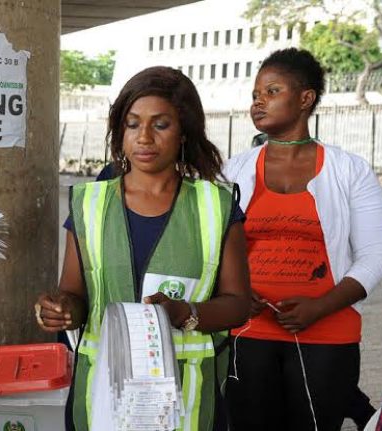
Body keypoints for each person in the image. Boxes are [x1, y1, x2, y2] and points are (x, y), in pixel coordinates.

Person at [35, 66, 251, 431]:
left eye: (160, 124)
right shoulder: (89, 203)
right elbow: (74, 292)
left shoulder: (216, 205)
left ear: (184, 130)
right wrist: (61, 311)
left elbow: (239, 305)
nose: (144, 137)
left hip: (186, 403)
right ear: (120, 132)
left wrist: (184, 313)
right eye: (133, 124)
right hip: (103, 398)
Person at [224, 48, 382, 431]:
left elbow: (377, 253)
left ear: (305, 99)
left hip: (328, 334)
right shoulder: (233, 170)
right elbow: (216, 248)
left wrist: (321, 306)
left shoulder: (349, 170)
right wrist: (232, 292)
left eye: (272, 91)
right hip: (247, 330)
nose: (258, 102)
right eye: (255, 95)